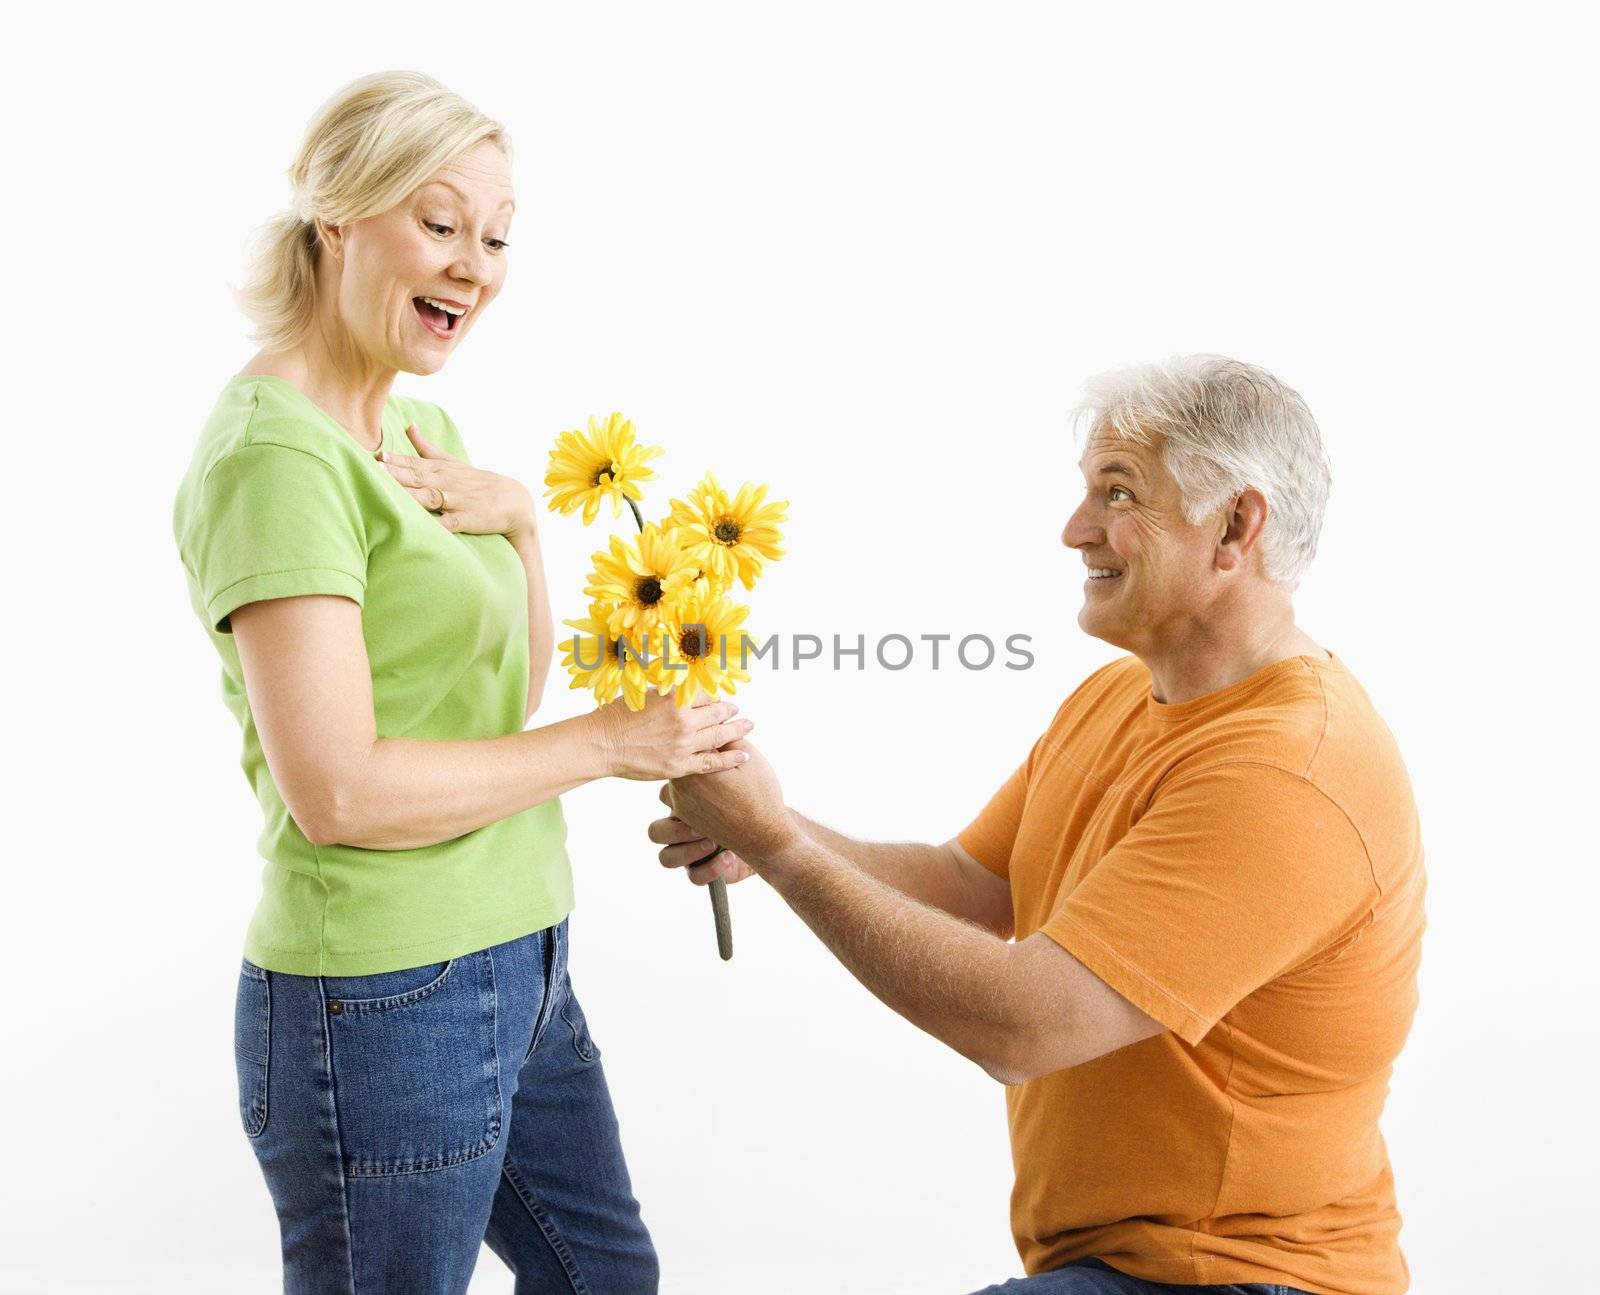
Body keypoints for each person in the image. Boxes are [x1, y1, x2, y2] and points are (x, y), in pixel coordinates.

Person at [651, 355, 1427, 1295]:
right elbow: (972, 889)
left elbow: (1021, 1025)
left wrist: (776, 846)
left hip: (1240, 1279)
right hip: (1121, 1267)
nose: (1075, 529)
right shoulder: (1118, 698)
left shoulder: (1292, 772)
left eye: (1118, 491)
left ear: (1235, 526)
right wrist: (772, 832)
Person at [172, 71, 749, 1294]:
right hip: (381, 998)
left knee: (607, 1278)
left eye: (495, 237)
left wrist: (527, 528)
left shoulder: (420, 432)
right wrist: (611, 743)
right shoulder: (275, 458)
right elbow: (339, 791)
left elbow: (502, 692)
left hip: (520, 952)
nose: (474, 266)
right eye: (439, 223)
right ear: (337, 217)